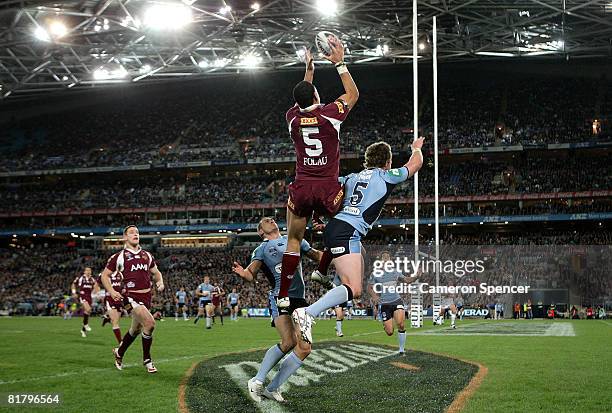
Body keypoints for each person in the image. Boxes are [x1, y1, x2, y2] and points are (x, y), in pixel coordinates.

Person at [293, 137, 425, 344]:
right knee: (354, 290)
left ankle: (321, 270)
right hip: (347, 232)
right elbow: (415, 165)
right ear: (387, 161)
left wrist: (318, 216)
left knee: (361, 255)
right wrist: (416, 149)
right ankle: (308, 313)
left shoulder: (351, 177)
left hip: (339, 228)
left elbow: (327, 196)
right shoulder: (385, 175)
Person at [276, 38, 360, 310]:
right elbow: (353, 95)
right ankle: (322, 270)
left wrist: (309, 71)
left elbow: (302, 97)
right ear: (315, 96)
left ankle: (283, 294)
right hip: (327, 188)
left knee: (293, 239)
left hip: (302, 186)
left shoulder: (291, 117)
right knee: (342, 225)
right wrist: (340, 63)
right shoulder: (329, 114)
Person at [232, 217, 322, 403]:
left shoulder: (294, 239)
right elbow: (251, 274)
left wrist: (336, 254)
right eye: (266, 220)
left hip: (300, 300)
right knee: (288, 341)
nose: (271, 220)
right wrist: (243, 273)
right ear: (260, 231)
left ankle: (272, 388)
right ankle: (257, 380)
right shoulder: (262, 249)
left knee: (304, 348)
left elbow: (317, 256)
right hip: (280, 298)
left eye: (272, 218)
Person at [100, 225, 165, 374]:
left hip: (146, 296)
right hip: (130, 297)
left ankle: (119, 352)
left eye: (137, 232)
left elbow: (156, 272)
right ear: (125, 237)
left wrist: (160, 281)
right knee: (150, 323)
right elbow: (105, 276)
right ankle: (147, 360)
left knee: (135, 330)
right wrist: (111, 291)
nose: (135, 234)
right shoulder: (118, 257)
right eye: (131, 232)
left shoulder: (147, 255)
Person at [368, 252, 417, 354]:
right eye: (384, 258)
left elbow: (407, 280)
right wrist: (374, 296)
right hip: (385, 304)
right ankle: (385, 324)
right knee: (390, 332)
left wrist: (416, 276)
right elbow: (369, 287)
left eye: (387, 258)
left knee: (401, 324)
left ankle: (401, 350)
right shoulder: (375, 274)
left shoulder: (395, 272)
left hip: (396, 301)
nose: (386, 260)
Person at [71, 267, 99, 338]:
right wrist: (74, 292)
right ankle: (86, 325)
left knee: (87, 312)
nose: (89, 271)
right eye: (87, 270)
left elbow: (96, 287)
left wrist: (96, 291)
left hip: (89, 296)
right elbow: (73, 284)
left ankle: (83, 330)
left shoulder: (92, 279)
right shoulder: (80, 278)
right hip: (82, 295)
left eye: (90, 270)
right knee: (88, 309)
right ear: (84, 272)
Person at [101, 269, 124, 344]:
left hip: (119, 299)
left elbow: (124, 284)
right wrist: (99, 294)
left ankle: (107, 319)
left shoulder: (120, 274)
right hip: (110, 299)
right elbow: (97, 284)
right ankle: (120, 342)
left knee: (116, 321)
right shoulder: (105, 274)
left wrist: (124, 290)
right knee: (115, 322)